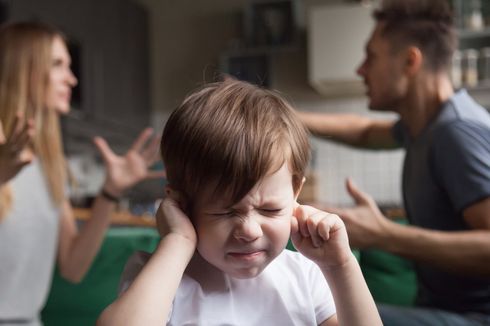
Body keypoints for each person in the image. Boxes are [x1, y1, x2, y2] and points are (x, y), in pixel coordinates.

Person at [96, 79, 382, 326]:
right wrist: (178, 241)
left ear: (295, 193)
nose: (249, 231)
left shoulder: (305, 276)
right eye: (225, 212)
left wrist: (340, 266)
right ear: (181, 206)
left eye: (270, 210)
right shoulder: (161, 277)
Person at [297, 0, 490, 325]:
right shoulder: (425, 125)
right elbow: (365, 131)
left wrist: (382, 235)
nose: (360, 69)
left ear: (410, 61)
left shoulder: (455, 133)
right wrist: (279, 113)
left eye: (371, 56)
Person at [0, 22, 164, 325]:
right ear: (23, 69)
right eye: (58, 65)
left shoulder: (50, 163)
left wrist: (110, 192)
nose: (72, 80)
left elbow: (73, 267)